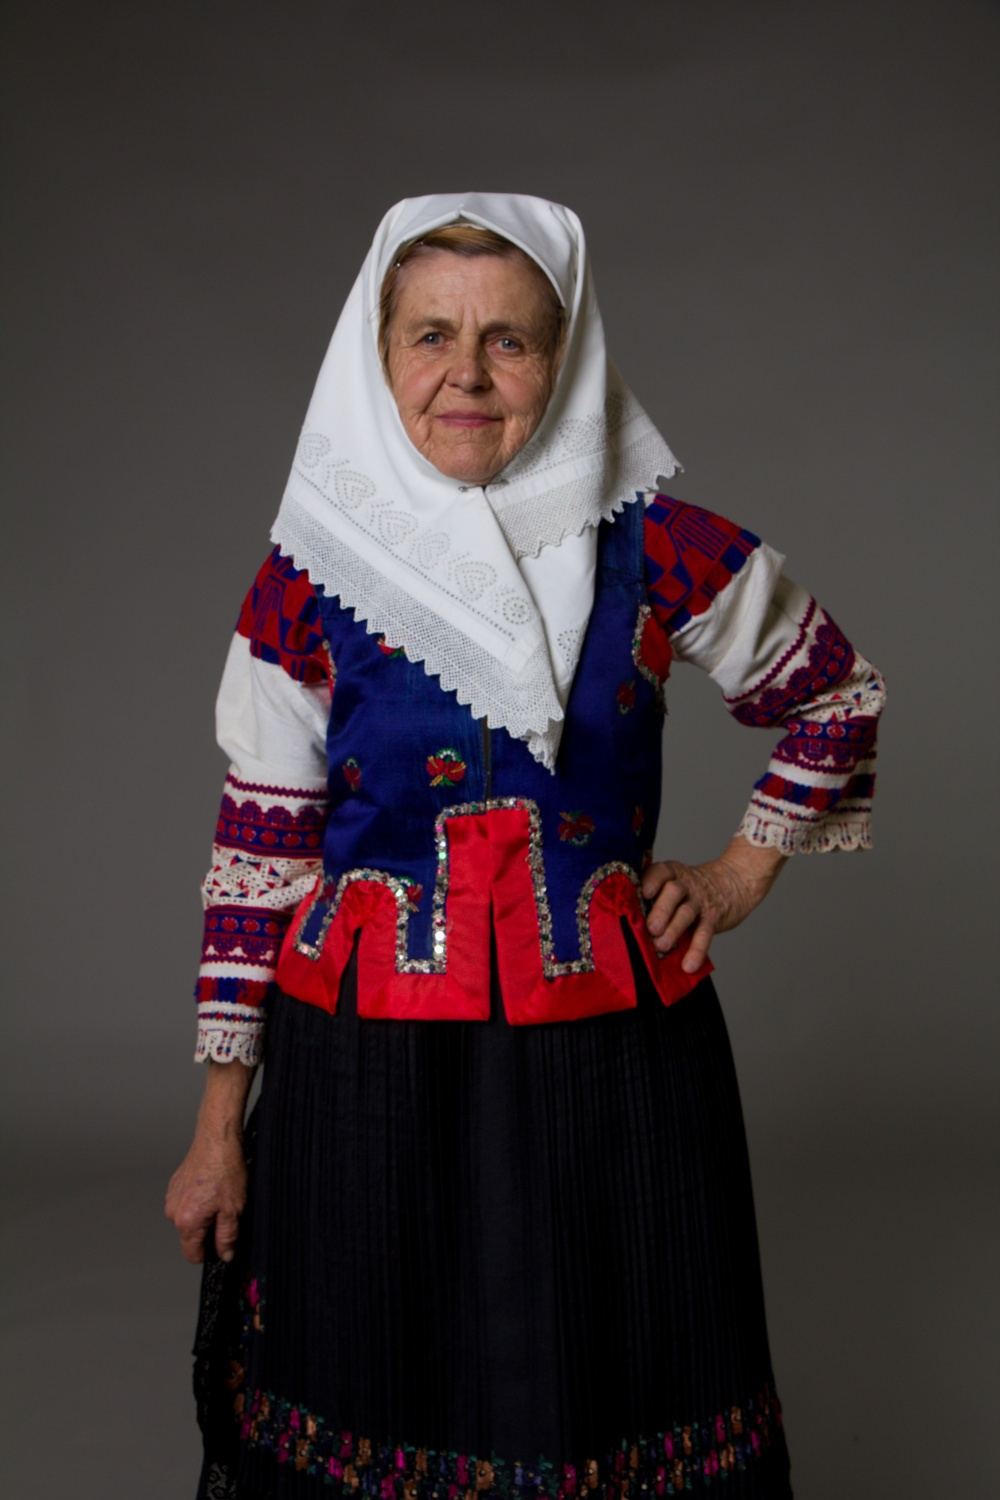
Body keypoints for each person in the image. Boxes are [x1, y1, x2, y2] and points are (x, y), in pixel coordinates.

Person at [166, 193, 884, 1500]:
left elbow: (835, 694)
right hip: (364, 1064)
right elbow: (259, 851)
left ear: (568, 356)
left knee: (605, 1377)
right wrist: (220, 1129)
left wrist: (735, 875)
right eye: (430, 336)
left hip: (610, 1058)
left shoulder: (659, 547)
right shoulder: (308, 578)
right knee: (375, 1377)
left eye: (509, 339)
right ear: (379, 355)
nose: (467, 374)